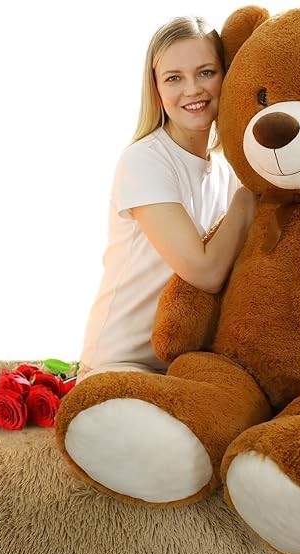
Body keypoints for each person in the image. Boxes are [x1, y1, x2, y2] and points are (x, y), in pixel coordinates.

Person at [76, 16, 255, 384]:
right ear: (156, 88)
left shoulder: (226, 169)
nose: (193, 89)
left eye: (206, 72)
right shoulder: (145, 160)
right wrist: (248, 197)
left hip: (184, 363)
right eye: (174, 78)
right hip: (120, 363)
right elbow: (205, 273)